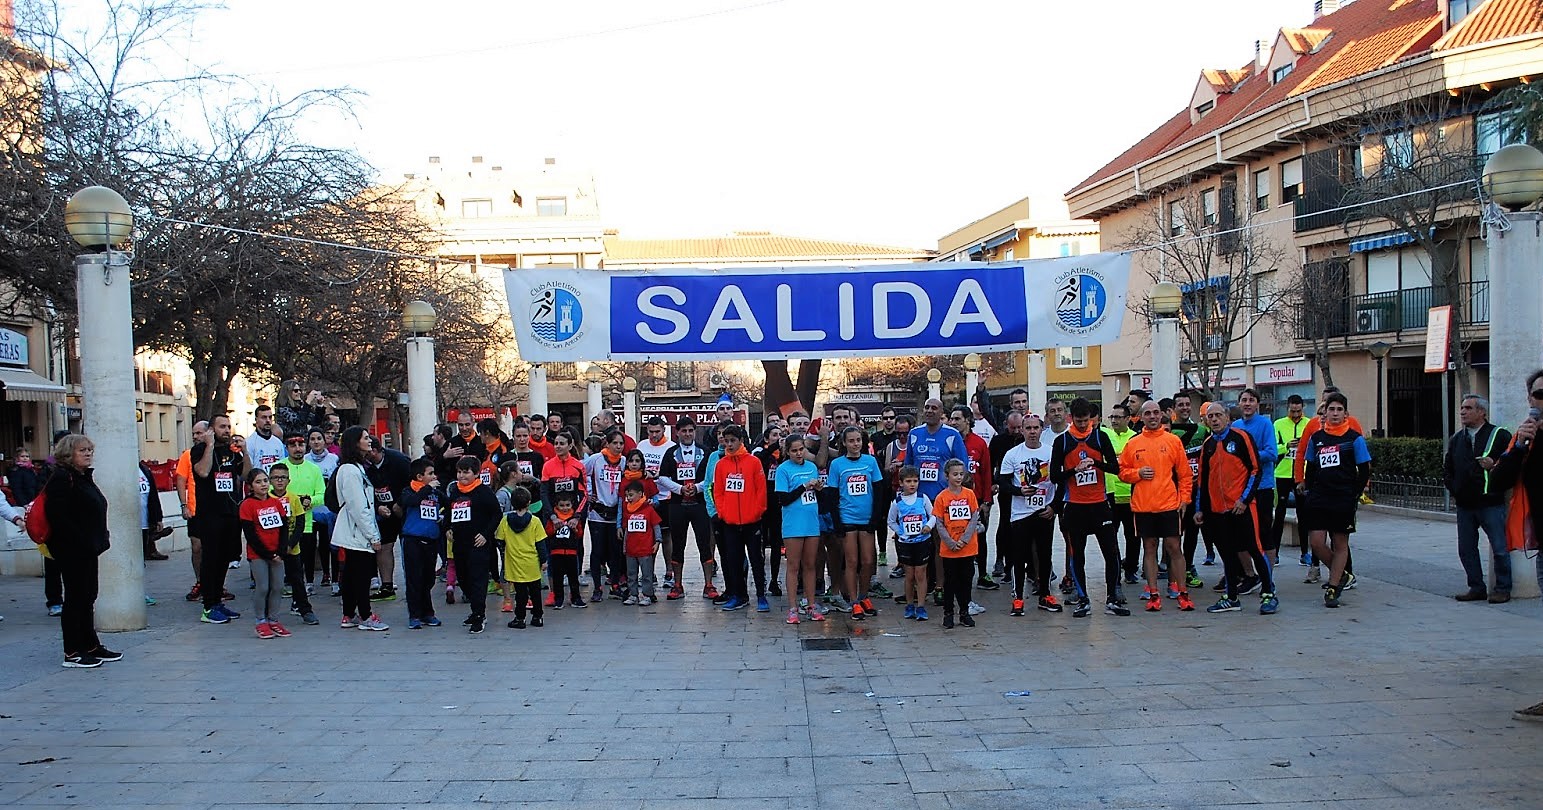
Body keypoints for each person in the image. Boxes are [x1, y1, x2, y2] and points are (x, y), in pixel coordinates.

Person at [1491, 371, 1543, 721]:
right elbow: (1497, 482)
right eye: (1539, 394)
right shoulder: (1525, 436)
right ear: (1529, 399)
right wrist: (1518, 448)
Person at [42, 434, 116, 667]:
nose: (87, 453)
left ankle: (91, 645)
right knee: (75, 598)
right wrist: (82, 539)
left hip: (88, 548)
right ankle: (72, 652)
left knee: (88, 596)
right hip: (71, 549)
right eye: (82, 450)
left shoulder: (82, 477)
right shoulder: (62, 478)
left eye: (89, 450)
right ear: (68, 453)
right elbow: (59, 517)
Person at [1196, 402, 1276, 615]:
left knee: (1255, 549)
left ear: (1228, 417)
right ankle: (1231, 597)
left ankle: (1269, 593)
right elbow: (1202, 481)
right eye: (1210, 416)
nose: (1214, 419)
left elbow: (1255, 470)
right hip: (1218, 511)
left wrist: (1244, 499)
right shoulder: (1208, 445)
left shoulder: (1241, 437)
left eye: (1218, 415)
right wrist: (1200, 508)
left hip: (1242, 507)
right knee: (1228, 555)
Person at [1050, 398, 1124, 618]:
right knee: (1077, 554)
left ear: (1091, 419)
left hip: (1100, 505)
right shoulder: (1062, 441)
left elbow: (1115, 467)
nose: (1083, 425)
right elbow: (1055, 475)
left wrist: (1095, 463)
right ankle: (1083, 599)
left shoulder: (1100, 437)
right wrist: (1074, 469)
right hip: (1075, 506)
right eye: (1079, 421)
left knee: (1111, 552)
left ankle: (1112, 597)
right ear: (1072, 418)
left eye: (1086, 421)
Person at [1119, 400, 1194, 612]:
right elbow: (1122, 471)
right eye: (1148, 413)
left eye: (1155, 413)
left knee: (1174, 548)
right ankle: (1153, 593)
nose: (1152, 417)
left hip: (1169, 505)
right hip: (1143, 507)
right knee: (1149, 548)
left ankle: (1183, 592)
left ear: (1162, 416)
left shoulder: (1172, 441)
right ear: (1141, 417)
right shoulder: (1134, 443)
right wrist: (1137, 474)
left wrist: (1184, 500)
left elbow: (1185, 474)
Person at [1300, 393, 1371, 609]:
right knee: (1317, 543)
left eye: (1340, 410)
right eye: (1332, 409)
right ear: (1325, 412)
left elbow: (1365, 469)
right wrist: (1310, 490)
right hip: (1320, 497)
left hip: (1343, 498)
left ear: (1346, 413)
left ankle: (1333, 588)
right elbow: (1310, 467)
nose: (1335, 413)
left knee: (1340, 543)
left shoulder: (1354, 438)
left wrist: (1355, 495)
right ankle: (1342, 574)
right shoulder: (1317, 439)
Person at [1444, 394, 1514, 603]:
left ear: (1482, 412)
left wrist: (1494, 465)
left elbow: (1512, 465)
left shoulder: (1499, 435)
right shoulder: (1457, 439)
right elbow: (1448, 469)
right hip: (1465, 505)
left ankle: (1503, 588)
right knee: (1466, 549)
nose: (1463, 412)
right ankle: (1476, 587)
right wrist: (1455, 489)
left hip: (1490, 503)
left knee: (1500, 548)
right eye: (1462, 408)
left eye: (1468, 408)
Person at [997, 414, 1060, 616]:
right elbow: (1003, 483)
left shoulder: (1051, 453)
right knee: (1019, 557)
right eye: (1028, 428)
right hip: (1021, 514)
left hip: (1044, 512)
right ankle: (1017, 598)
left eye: (1036, 428)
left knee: (1044, 555)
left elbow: (1061, 483)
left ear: (1042, 429)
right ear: (1022, 430)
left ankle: (1045, 595)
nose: (1032, 432)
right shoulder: (1013, 454)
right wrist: (1018, 491)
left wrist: (1054, 507)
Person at [192, 415, 250, 624]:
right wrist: (209, 445)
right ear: (211, 429)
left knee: (225, 558)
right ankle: (208, 606)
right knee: (211, 559)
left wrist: (245, 451)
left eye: (228, 426)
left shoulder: (231, 451)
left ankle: (217, 601)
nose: (227, 430)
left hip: (230, 512)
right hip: (210, 514)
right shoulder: (200, 449)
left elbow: (246, 475)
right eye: (222, 427)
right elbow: (203, 471)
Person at [331, 426, 388, 631]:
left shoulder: (356, 468)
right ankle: (365, 615)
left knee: (352, 573)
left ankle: (349, 614)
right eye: (365, 438)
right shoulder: (350, 471)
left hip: (355, 531)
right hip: (356, 532)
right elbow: (358, 507)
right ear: (355, 443)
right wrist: (373, 535)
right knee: (361, 575)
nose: (370, 441)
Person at [656, 416, 717, 601]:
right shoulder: (671, 453)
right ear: (677, 432)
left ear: (695, 431)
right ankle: (677, 584)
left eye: (691, 430)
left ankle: (708, 584)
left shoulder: (705, 452)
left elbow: (711, 477)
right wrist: (679, 488)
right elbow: (662, 477)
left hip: (699, 504)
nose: (688, 434)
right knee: (678, 544)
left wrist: (696, 487)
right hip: (677, 504)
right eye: (684, 431)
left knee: (705, 543)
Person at [829, 425, 882, 620]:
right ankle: (853, 602)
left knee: (868, 561)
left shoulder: (870, 462)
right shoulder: (837, 465)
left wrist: (875, 518)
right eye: (851, 441)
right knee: (851, 561)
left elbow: (878, 490)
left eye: (858, 440)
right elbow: (833, 495)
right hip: (847, 518)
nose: (855, 444)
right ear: (844, 443)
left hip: (866, 518)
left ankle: (864, 596)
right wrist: (837, 523)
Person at [713, 424, 766, 612]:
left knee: (756, 559)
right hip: (730, 522)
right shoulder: (721, 465)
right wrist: (723, 512)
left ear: (741, 441)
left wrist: (758, 511)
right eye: (726, 441)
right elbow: (717, 491)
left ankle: (761, 595)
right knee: (733, 560)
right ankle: (739, 595)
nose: (729, 444)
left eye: (732, 441)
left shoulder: (753, 462)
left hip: (752, 521)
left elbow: (761, 489)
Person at [447, 455, 501, 633]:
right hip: (459, 543)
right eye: (459, 472)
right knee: (463, 578)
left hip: (478, 544)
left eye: (466, 472)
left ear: (476, 473)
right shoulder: (455, 491)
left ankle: (479, 614)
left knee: (478, 579)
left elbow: (496, 514)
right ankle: (474, 609)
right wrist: (448, 528)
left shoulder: (483, 492)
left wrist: (486, 535)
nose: (462, 476)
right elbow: (449, 512)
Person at [776, 432, 824, 623]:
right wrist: (804, 486)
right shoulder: (783, 470)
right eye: (794, 451)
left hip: (811, 522)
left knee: (810, 565)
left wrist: (819, 488)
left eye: (801, 449)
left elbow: (818, 497)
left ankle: (811, 604)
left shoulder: (812, 467)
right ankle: (793, 607)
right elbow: (783, 499)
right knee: (793, 566)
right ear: (787, 452)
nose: (798, 454)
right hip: (793, 524)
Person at [948, 406, 996, 595]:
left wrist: (987, 501)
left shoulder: (979, 443)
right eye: (951, 419)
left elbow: (986, 472)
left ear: (967, 420)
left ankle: (983, 574)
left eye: (957, 419)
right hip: (954, 500)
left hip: (976, 500)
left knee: (980, 537)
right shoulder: (950, 442)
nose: (953, 422)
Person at [238, 468, 290, 639]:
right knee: (263, 587)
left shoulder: (275, 503)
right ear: (251, 486)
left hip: (277, 553)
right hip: (259, 554)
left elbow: (283, 527)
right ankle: (261, 620)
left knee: (278, 586)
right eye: (258, 482)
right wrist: (268, 554)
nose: (263, 485)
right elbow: (250, 534)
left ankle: (273, 620)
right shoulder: (247, 505)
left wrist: (281, 551)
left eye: (265, 481)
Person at [265, 464, 317, 626]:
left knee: (297, 580)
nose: (279, 481)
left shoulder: (293, 498)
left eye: (283, 477)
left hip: (292, 548)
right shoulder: (266, 499)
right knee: (271, 582)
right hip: (272, 549)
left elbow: (300, 522)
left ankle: (305, 609)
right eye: (275, 477)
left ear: (289, 480)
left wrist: (291, 543)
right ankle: (268, 614)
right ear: (270, 480)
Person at [1231, 389, 1279, 564]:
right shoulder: (1235, 426)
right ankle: (1249, 574)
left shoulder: (1265, 424)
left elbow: (1272, 453)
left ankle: (1269, 576)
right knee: (1241, 534)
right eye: (1244, 400)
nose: (1247, 403)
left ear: (1257, 404)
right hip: (1241, 489)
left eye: (1251, 400)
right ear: (1239, 404)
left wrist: (1250, 456)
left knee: (1264, 533)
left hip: (1263, 487)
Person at [273, 432, 324, 594]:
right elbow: (270, 492)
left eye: (301, 445)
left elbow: (322, 494)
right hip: (283, 522)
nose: (297, 449)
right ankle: (287, 582)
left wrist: (311, 501)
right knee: (286, 555)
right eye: (293, 445)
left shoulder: (314, 469)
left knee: (307, 554)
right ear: (286, 448)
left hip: (306, 522)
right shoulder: (279, 467)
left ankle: (309, 582)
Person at [933, 459, 981, 629]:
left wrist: (964, 540)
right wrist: (951, 542)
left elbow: (974, 518)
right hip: (949, 549)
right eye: (955, 474)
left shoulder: (969, 494)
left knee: (966, 581)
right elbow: (939, 523)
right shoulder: (942, 497)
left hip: (968, 548)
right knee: (950, 582)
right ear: (947, 476)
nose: (959, 477)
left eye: (961, 474)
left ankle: (964, 612)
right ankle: (948, 613)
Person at [399, 458, 445, 629]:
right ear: (419, 476)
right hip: (413, 541)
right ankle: (415, 614)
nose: (434, 477)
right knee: (414, 579)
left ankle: (428, 612)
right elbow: (410, 502)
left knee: (428, 579)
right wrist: (427, 489)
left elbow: (448, 504)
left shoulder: (435, 493)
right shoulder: (408, 491)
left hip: (431, 541)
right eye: (430, 474)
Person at [364, 437, 411, 601]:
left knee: (409, 548)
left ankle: (414, 584)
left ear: (375, 451)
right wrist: (378, 506)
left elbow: (412, 483)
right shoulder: (364, 467)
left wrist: (400, 503)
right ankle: (387, 586)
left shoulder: (399, 460)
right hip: (384, 512)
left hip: (404, 509)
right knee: (384, 547)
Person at [584, 429, 628, 601]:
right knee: (597, 551)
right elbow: (581, 473)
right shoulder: (595, 460)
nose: (618, 447)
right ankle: (597, 587)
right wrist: (588, 493)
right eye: (615, 443)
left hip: (615, 513)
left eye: (621, 443)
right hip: (597, 513)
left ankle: (615, 584)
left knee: (615, 552)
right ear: (607, 444)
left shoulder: (624, 461)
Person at [888, 466, 935, 622]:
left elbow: (933, 515)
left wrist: (928, 526)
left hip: (922, 541)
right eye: (908, 481)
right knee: (909, 575)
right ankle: (909, 605)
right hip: (906, 544)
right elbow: (891, 521)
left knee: (920, 574)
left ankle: (920, 606)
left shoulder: (923, 498)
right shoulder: (897, 502)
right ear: (901, 483)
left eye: (915, 481)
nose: (912, 484)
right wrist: (901, 532)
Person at [498, 485, 548, 628]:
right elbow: (541, 543)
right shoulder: (535, 521)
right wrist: (543, 560)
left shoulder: (505, 521)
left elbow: (500, 540)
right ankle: (538, 617)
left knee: (520, 593)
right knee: (535, 592)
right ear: (529, 502)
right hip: (532, 563)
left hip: (514, 563)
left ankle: (520, 619)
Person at [1102, 404, 1139, 585]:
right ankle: (1114, 570)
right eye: (1112, 417)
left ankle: (1131, 568)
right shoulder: (1105, 436)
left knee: (1133, 537)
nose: (1114, 421)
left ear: (1127, 419)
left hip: (1132, 496)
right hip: (1111, 496)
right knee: (1110, 538)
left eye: (1118, 417)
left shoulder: (1135, 439)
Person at [1272, 395, 1311, 564]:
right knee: (1279, 514)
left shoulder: (1309, 423)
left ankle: (1304, 553)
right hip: (1282, 473)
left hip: (1301, 474)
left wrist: (1303, 444)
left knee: (1303, 515)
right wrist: (1286, 446)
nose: (1295, 414)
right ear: (1287, 408)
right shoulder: (1278, 424)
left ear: (1303, 408)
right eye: (1292, 411)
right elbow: (1273, 447)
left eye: (1299, 411)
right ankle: (1276, 553)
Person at [176, 420, 210, 604]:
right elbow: (181, 480)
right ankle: (200, 581)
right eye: (194, 433)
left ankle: (216, 583)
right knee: (197, 547)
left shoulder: (216, 453)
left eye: (199, 433)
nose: (196, 437)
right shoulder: (188, 455)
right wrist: (183, 505)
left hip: (214, 511)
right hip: (195, 510)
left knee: (215, 549)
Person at [618, 479, 663, 606]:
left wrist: (658, 541)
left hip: (645, 549)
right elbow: (627, 529)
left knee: (647, 575)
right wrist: (625, 546)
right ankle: (633, 594)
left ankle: (647, 595)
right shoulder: (627, 510)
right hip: (631, 550)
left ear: (640, 494)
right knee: (631, 574)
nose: (629, 498)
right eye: (627, 496)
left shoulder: (649, 509)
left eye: (631, 495)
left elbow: (656, 526)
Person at [545, 492, 587, 609]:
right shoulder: (553, 519)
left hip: (571, 553)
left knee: (573, 577)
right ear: (557, 506)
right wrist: (554, 527)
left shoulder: (574, 518)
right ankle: (558, 599)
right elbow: (547, 532)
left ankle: (575, 598)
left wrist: (575, 529)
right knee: (557, 578)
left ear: (572, 505)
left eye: (567, 505)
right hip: (556, 553)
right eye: (562, 505)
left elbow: (580, 534)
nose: (565, 508)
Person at [247, 405, 286, 474]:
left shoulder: (278, 443)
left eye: (270, 417)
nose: (268, 420)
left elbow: (282, 467)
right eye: (264, 417)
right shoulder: (249, 443)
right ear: (256, 420)